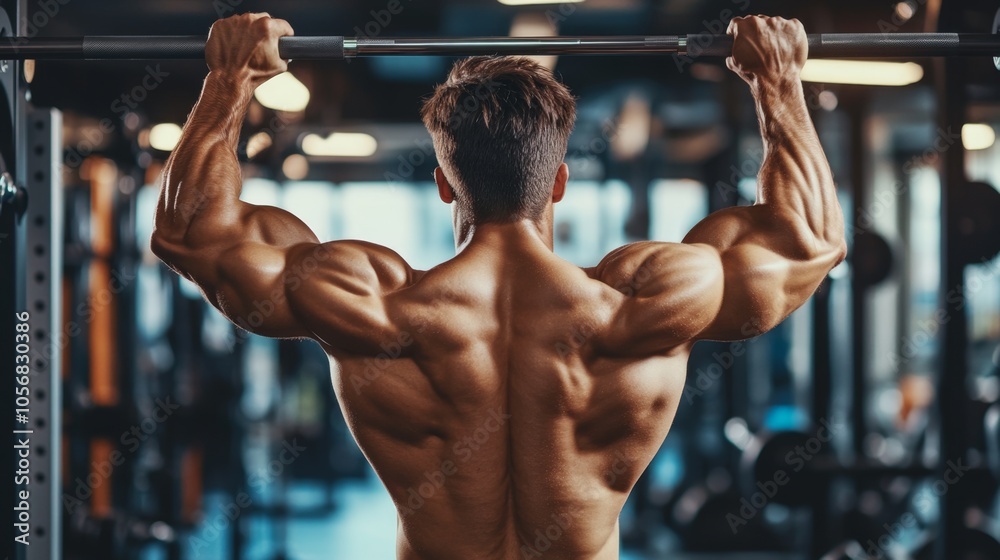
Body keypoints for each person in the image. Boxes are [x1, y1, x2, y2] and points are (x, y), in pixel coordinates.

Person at [151, 12, 846, 560]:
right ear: (560, 183)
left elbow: (191, 235)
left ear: (444, 183)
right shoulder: (646, 306)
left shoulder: (373, 306)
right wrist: (776, 83)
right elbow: (810, 240)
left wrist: (230, 78)